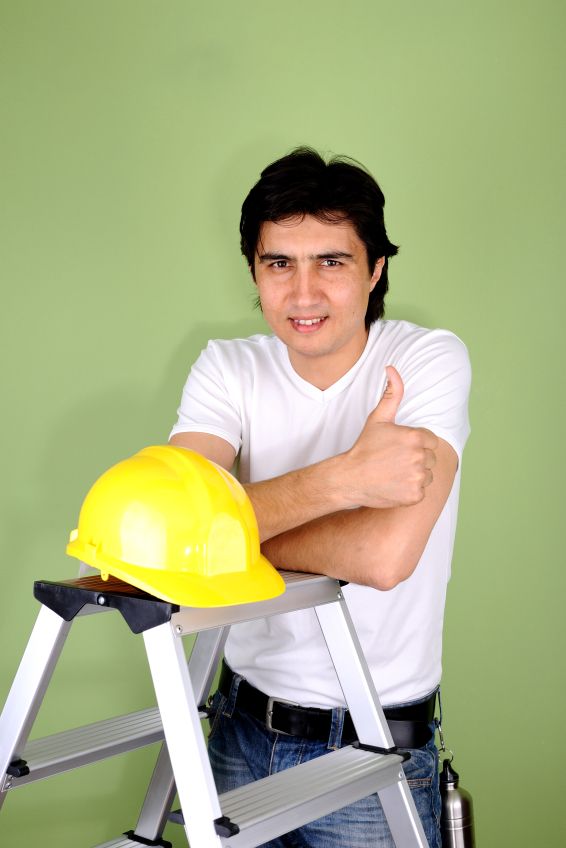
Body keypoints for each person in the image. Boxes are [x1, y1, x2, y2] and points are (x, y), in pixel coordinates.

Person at [169, 147, 471, 847]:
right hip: (236, 734)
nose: (303, 294)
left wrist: (233, 528)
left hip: (369, 745)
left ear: (375, 269)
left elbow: (385, 556)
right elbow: (178, 526)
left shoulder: (426, 360)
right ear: (254, 271)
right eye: (280, 263)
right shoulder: (227, 367)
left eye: (330, 262)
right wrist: (346, 479)